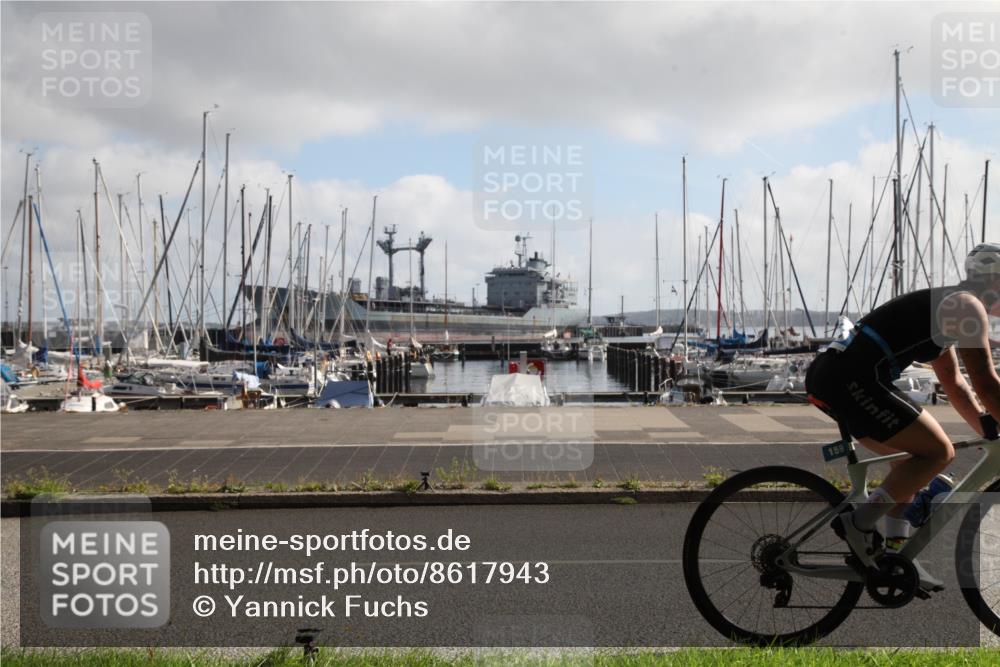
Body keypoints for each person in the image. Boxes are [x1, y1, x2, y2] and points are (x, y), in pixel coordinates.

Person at [805, 243, 1000, 591]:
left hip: (836, 377)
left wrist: (987, 427)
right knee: (939, 452)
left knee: (911, 468)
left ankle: (897, 558)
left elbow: (954, 383)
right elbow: (985, 382)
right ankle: (858, 524)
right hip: (852, 379)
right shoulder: (967, 307)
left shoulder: (950, 304)